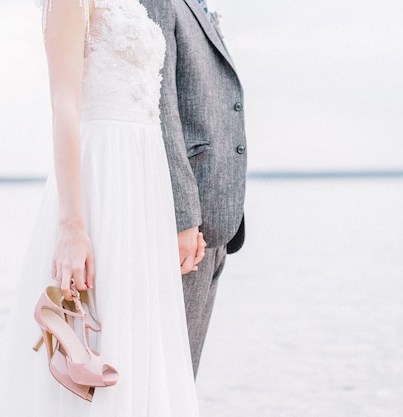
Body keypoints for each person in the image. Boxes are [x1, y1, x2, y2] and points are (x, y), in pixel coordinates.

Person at [0, 0, 204, 415]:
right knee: (100, 325)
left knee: (142, 338)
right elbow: (64, 105)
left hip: (145, 180)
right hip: (101, 177)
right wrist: (71, 227)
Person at [139, 0, 247, 377]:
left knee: (183, 375)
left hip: (217, 216)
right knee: (167, 377)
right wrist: (183, 217)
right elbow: (159, 107)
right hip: (187, 224)